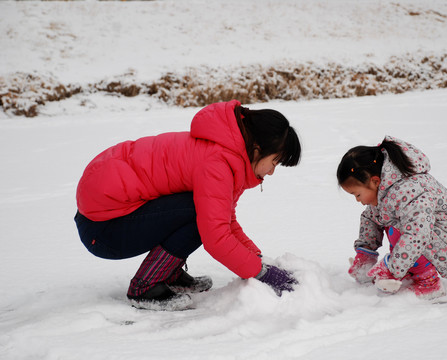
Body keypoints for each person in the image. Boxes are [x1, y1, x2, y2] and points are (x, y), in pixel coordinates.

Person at [74, 100, 301, 309]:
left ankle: (167, 272)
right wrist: (262, 273)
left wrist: (257, 259)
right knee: (200, 215)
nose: (271, 171)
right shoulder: (218, 163)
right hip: (105, 228)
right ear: (257, 149)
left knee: (205, 213)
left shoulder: (225, 152)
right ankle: (145, 287)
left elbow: (225, 219)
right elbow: (217, 236)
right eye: (275, 162)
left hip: (107, 216)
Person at [337, 136, 447, 299]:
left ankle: (429, 283)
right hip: (431, 237)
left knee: (399, 229)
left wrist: (391, 267)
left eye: (358, 194)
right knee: (384, 219)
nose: (358, 200)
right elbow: (371, 218)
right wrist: (365, 254)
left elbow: (417, 235)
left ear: (374, 181)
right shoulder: (387, 189)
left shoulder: (410, 191)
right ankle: (410, 269)